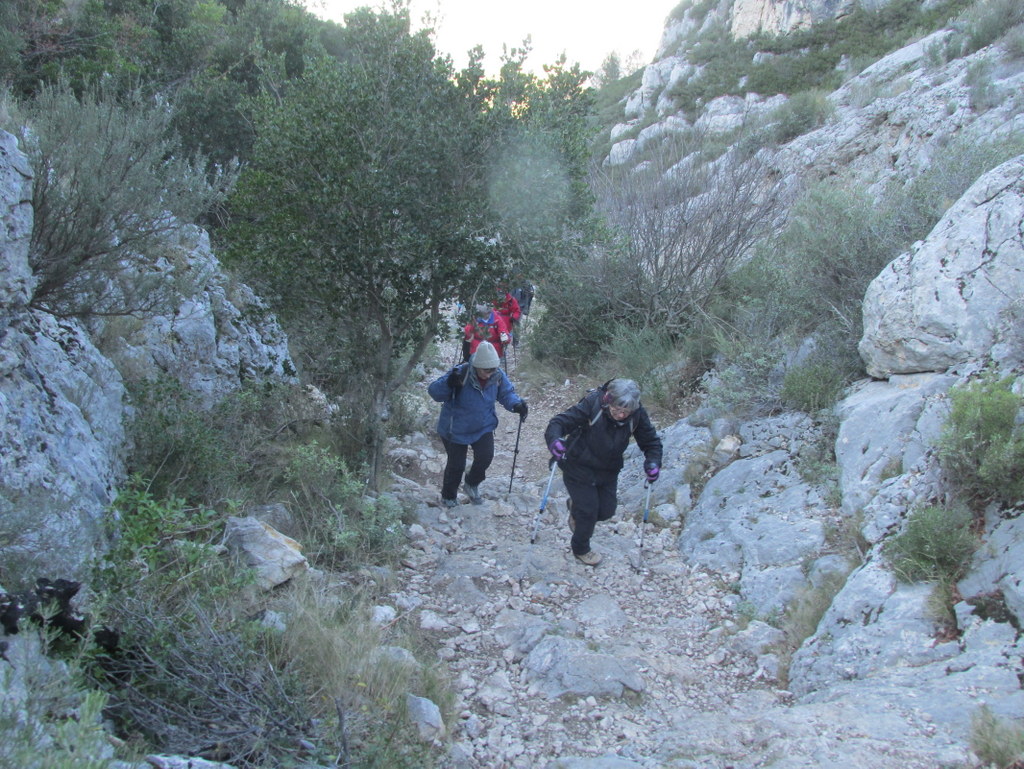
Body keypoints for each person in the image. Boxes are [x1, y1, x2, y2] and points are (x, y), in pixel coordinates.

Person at [544, 378, 662, 566]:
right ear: (608, 400)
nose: (621, 415)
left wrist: (653, 462)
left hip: (608, 469)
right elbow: (559, 422)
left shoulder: (637, 415)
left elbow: (651, 443)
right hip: (578, 465)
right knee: (588, 512)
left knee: (606, 511)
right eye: (617, 409)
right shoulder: (593, 404)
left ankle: (576, 508)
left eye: (626, 412)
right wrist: (554, 440)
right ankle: (581, 549)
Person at [428, 341, 528, 507]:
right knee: (456, 465)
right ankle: (449, 497)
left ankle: (471, 483)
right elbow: (434, 392)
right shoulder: (461, 373)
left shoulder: (498, 375)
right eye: (485, 371)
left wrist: (516, 405)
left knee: (485, 457)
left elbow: (506, 394)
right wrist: (448, 383)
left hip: (483, 426)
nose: (488, 374)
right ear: (476, 366)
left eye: (492, 370)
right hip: (455, 428)